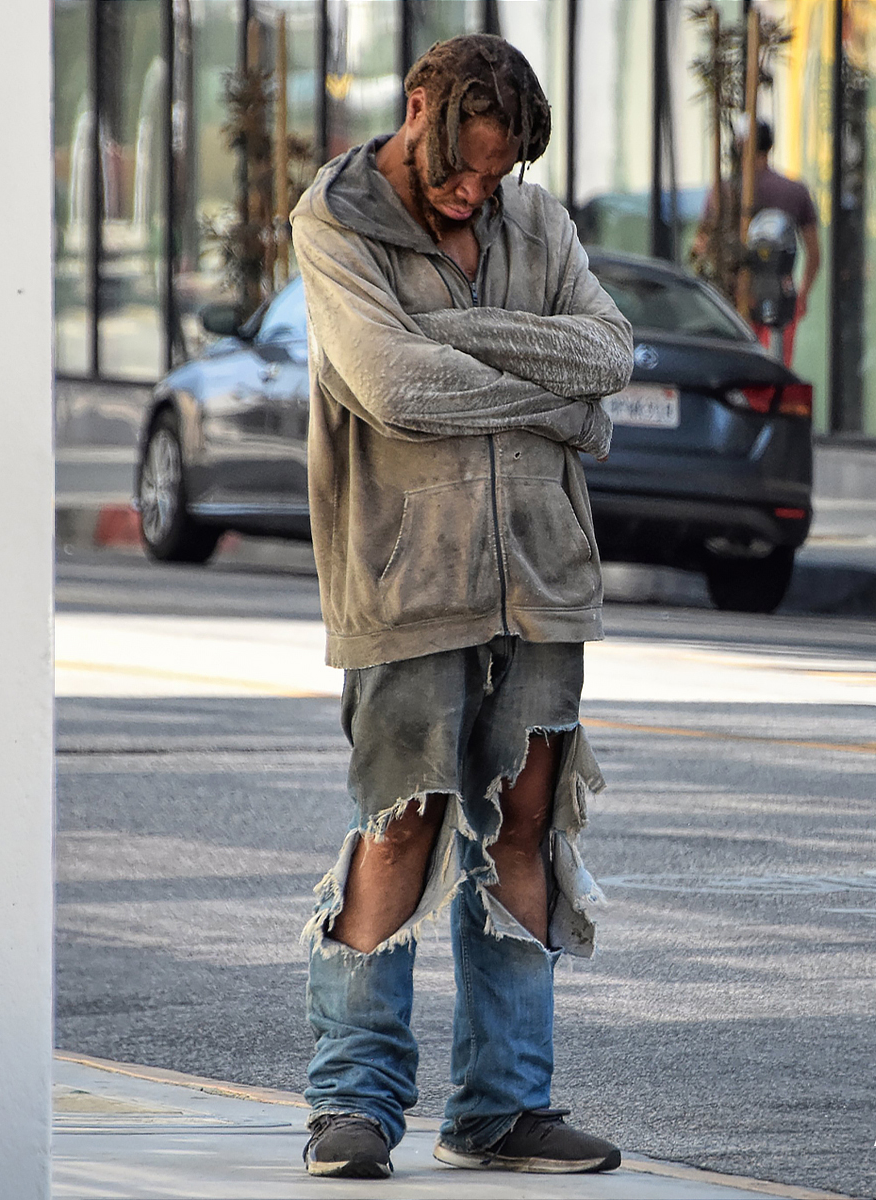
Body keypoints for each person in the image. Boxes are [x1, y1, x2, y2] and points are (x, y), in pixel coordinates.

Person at [285, 33, 635, 1181]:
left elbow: (610, 354)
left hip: (543, 574)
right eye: (460, 167)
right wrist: (549, 401)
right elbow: (389, 386)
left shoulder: (539, 225)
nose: (475, 195)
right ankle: (353, 1105)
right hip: (406, 576)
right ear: (418, 104)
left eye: (497, 176)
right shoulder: (333, 221)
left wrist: (459, 334)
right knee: (403, 823)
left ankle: (503, 1108)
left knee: (525, 825)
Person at [691, 120, 821, 365]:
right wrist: (802, 296)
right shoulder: (794, 191)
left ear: (738, 147)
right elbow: (814, 254)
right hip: (780, 295)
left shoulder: (723, 191)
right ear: (770, 146)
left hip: (733, 296)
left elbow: (701, 245)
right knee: (775, 372)